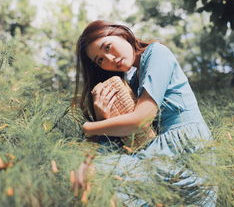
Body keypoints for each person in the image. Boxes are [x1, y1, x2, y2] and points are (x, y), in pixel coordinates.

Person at [72, 20, 216, 206]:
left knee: (103, 174)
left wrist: (89, 127)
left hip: (185, 151)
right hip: (162, 152)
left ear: (121, 33)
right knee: (93, 172)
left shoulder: (157, 53)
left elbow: (141, 120)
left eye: (107, 46)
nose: (109, 59)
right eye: (100, 60)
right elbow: (129, 136)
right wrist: (101, 119)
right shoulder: (133, 82)